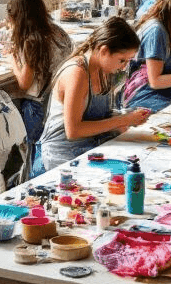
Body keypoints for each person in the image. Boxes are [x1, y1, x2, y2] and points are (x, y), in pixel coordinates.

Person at [40, 17, 151, 172]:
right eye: (122, 60)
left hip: (92, 145)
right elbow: (73, 131)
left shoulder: (103, 69)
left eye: (128, 61)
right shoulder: (77, 73)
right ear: (103, 50)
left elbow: (101, 117)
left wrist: (128, 120)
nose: (124, 66)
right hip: (63, 152)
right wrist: (123, 120)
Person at [3, 0, 73, 177]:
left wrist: (13, 61)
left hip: (38, 107)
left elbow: (25, 83)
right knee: (41, 152)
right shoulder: (57, 32)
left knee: (28, 157)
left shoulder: (31, 41)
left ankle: (14, 185)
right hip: (59, 102)